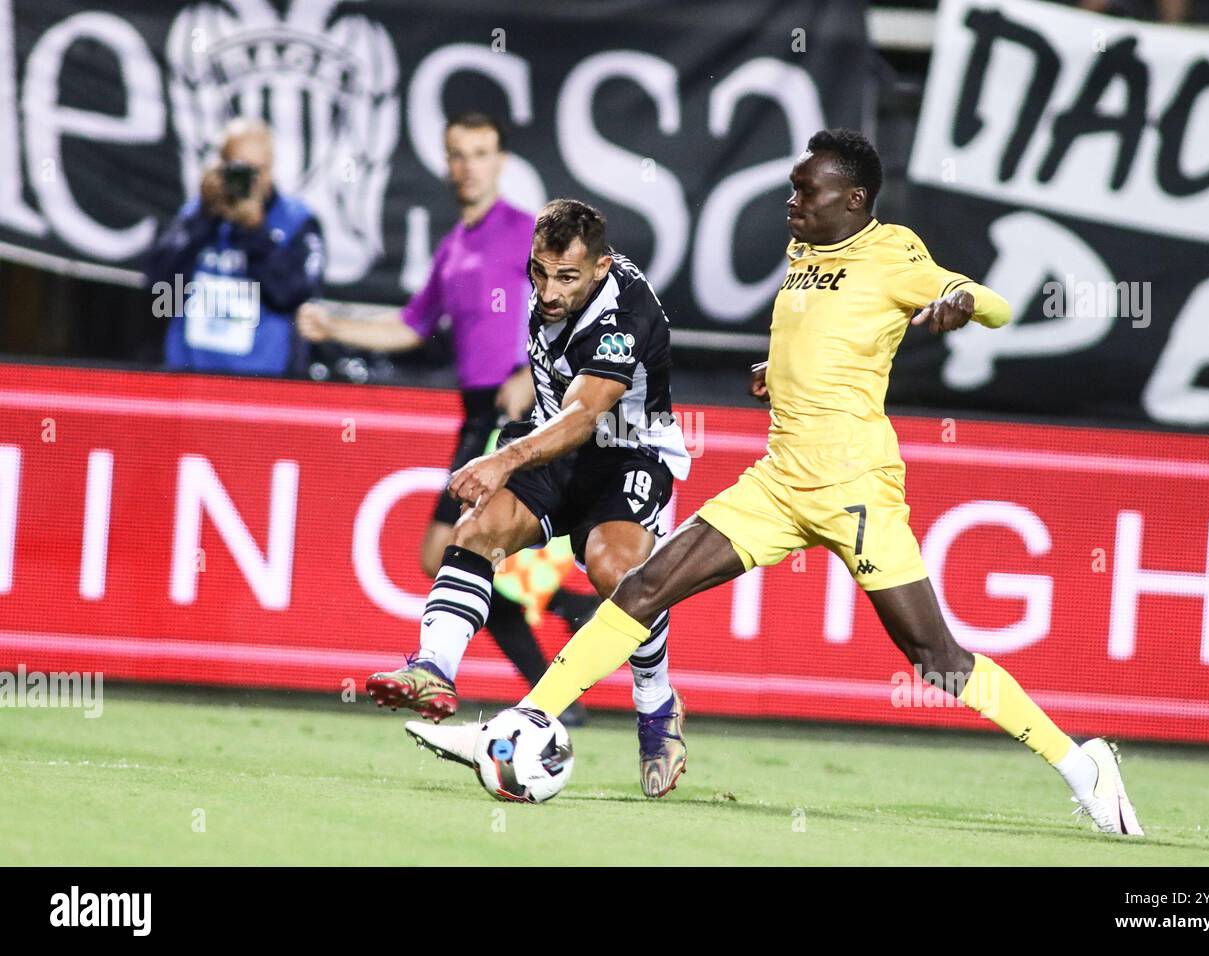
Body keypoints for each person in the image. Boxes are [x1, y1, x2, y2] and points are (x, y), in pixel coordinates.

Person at [416, 129, 1145, 835]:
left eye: (807, 189)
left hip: (852, 488)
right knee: (641, 587)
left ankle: (1083, 766)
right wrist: (780, 372)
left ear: (854, 197)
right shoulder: (804, 248)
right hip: (778, 481)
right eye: (793, 185)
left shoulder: (894, 252)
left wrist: (959, 305)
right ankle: (521, 726)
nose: (791, 199)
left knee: (937, 661)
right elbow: (820, 330)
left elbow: (997, 303)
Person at [366, 198, 694, 799]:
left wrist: (501, 456)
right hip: (552, 442)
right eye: (539, 271)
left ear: (601, 267)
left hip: (628, 452)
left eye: (566, 276)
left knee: (617, 571)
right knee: (475, 530)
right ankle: (432, 668)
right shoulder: (553, 282)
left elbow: (586, 414)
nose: (547, 290)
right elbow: (560, 416)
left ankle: (656, 708)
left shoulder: (620, 316)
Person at [297, 113, 594, 726]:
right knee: (447, 554)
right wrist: (334, 324)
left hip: (513, 405)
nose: (468, 167)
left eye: (480, 153)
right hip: (475, 411)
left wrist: (529, 370)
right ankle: (565, 625)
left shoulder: (525, 233)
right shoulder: (455, 245)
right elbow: (411, 325)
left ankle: (554, 644)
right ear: (446, 162)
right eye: (458, 154)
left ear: (501, 162)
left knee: (453, 549)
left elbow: (576, 300)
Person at [145, 117, 323, 375]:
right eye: (239, 168)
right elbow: (158, 284)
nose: (249, 181)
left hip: (262, 382)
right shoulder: (198, 214)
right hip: (190, 377)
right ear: (221, 165)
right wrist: (204, 218)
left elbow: (295, 296)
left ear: (270, 168)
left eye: (257, 170)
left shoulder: (296, 220)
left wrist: (255, 229)